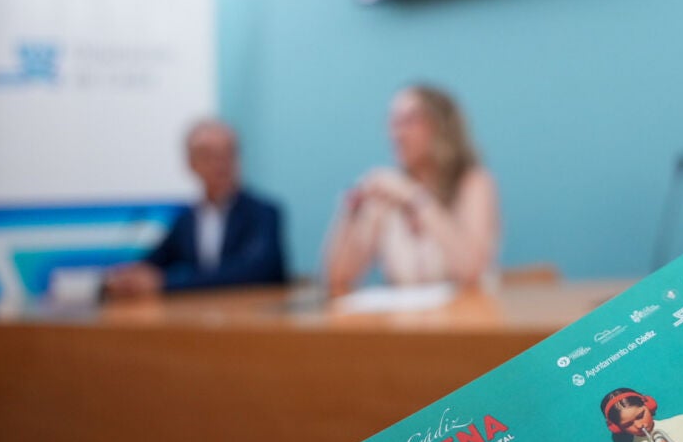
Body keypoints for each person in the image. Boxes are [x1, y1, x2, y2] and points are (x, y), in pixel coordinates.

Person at [323, 85, 499, 295]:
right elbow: (338, 278)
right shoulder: (388, 193)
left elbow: (471, 269)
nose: (397, 133)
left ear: (442, 126)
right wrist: (351, 212)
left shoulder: (473, 182)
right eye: (393, 122)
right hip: (407, 315)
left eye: (410, 121)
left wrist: (414, 197)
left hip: (469, 313)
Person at [104, 119, 286, 296]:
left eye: (228, 153)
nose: (220, 164)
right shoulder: (187, 220)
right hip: (202, 315)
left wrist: (166, 283)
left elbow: (253, 272)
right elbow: (156, 261)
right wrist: (128, 278)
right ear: (191, 163)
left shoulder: (263, 214)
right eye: (208, 156)